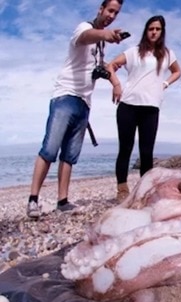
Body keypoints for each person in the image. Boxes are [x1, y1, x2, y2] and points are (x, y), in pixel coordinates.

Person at [26, 0, 125, 219]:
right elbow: (84, 38)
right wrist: (106, 34)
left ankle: (62, 201)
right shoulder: (84, 28)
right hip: (66, 96)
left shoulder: (100, 45)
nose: (112, 15)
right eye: (110, 10)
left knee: (70, 155)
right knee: (50, 149)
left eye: (116, 13)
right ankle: (33, 200)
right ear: (101, 9)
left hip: (84, 102)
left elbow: (99, 68)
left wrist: (115, 83)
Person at [107, 15, 181, 202]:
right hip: (128, 106)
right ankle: (122, 189)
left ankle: (144, 191)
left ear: (162, 32)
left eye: (157, 29)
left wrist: (164, 83)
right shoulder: (134, 51)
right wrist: (116, 84)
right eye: (151, 29)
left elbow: (177, 71)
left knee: (146, 152)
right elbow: (111, 65)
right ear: (146, 31)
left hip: (151, 107)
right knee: (125, 148)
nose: (154, 32)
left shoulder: (167, 54)